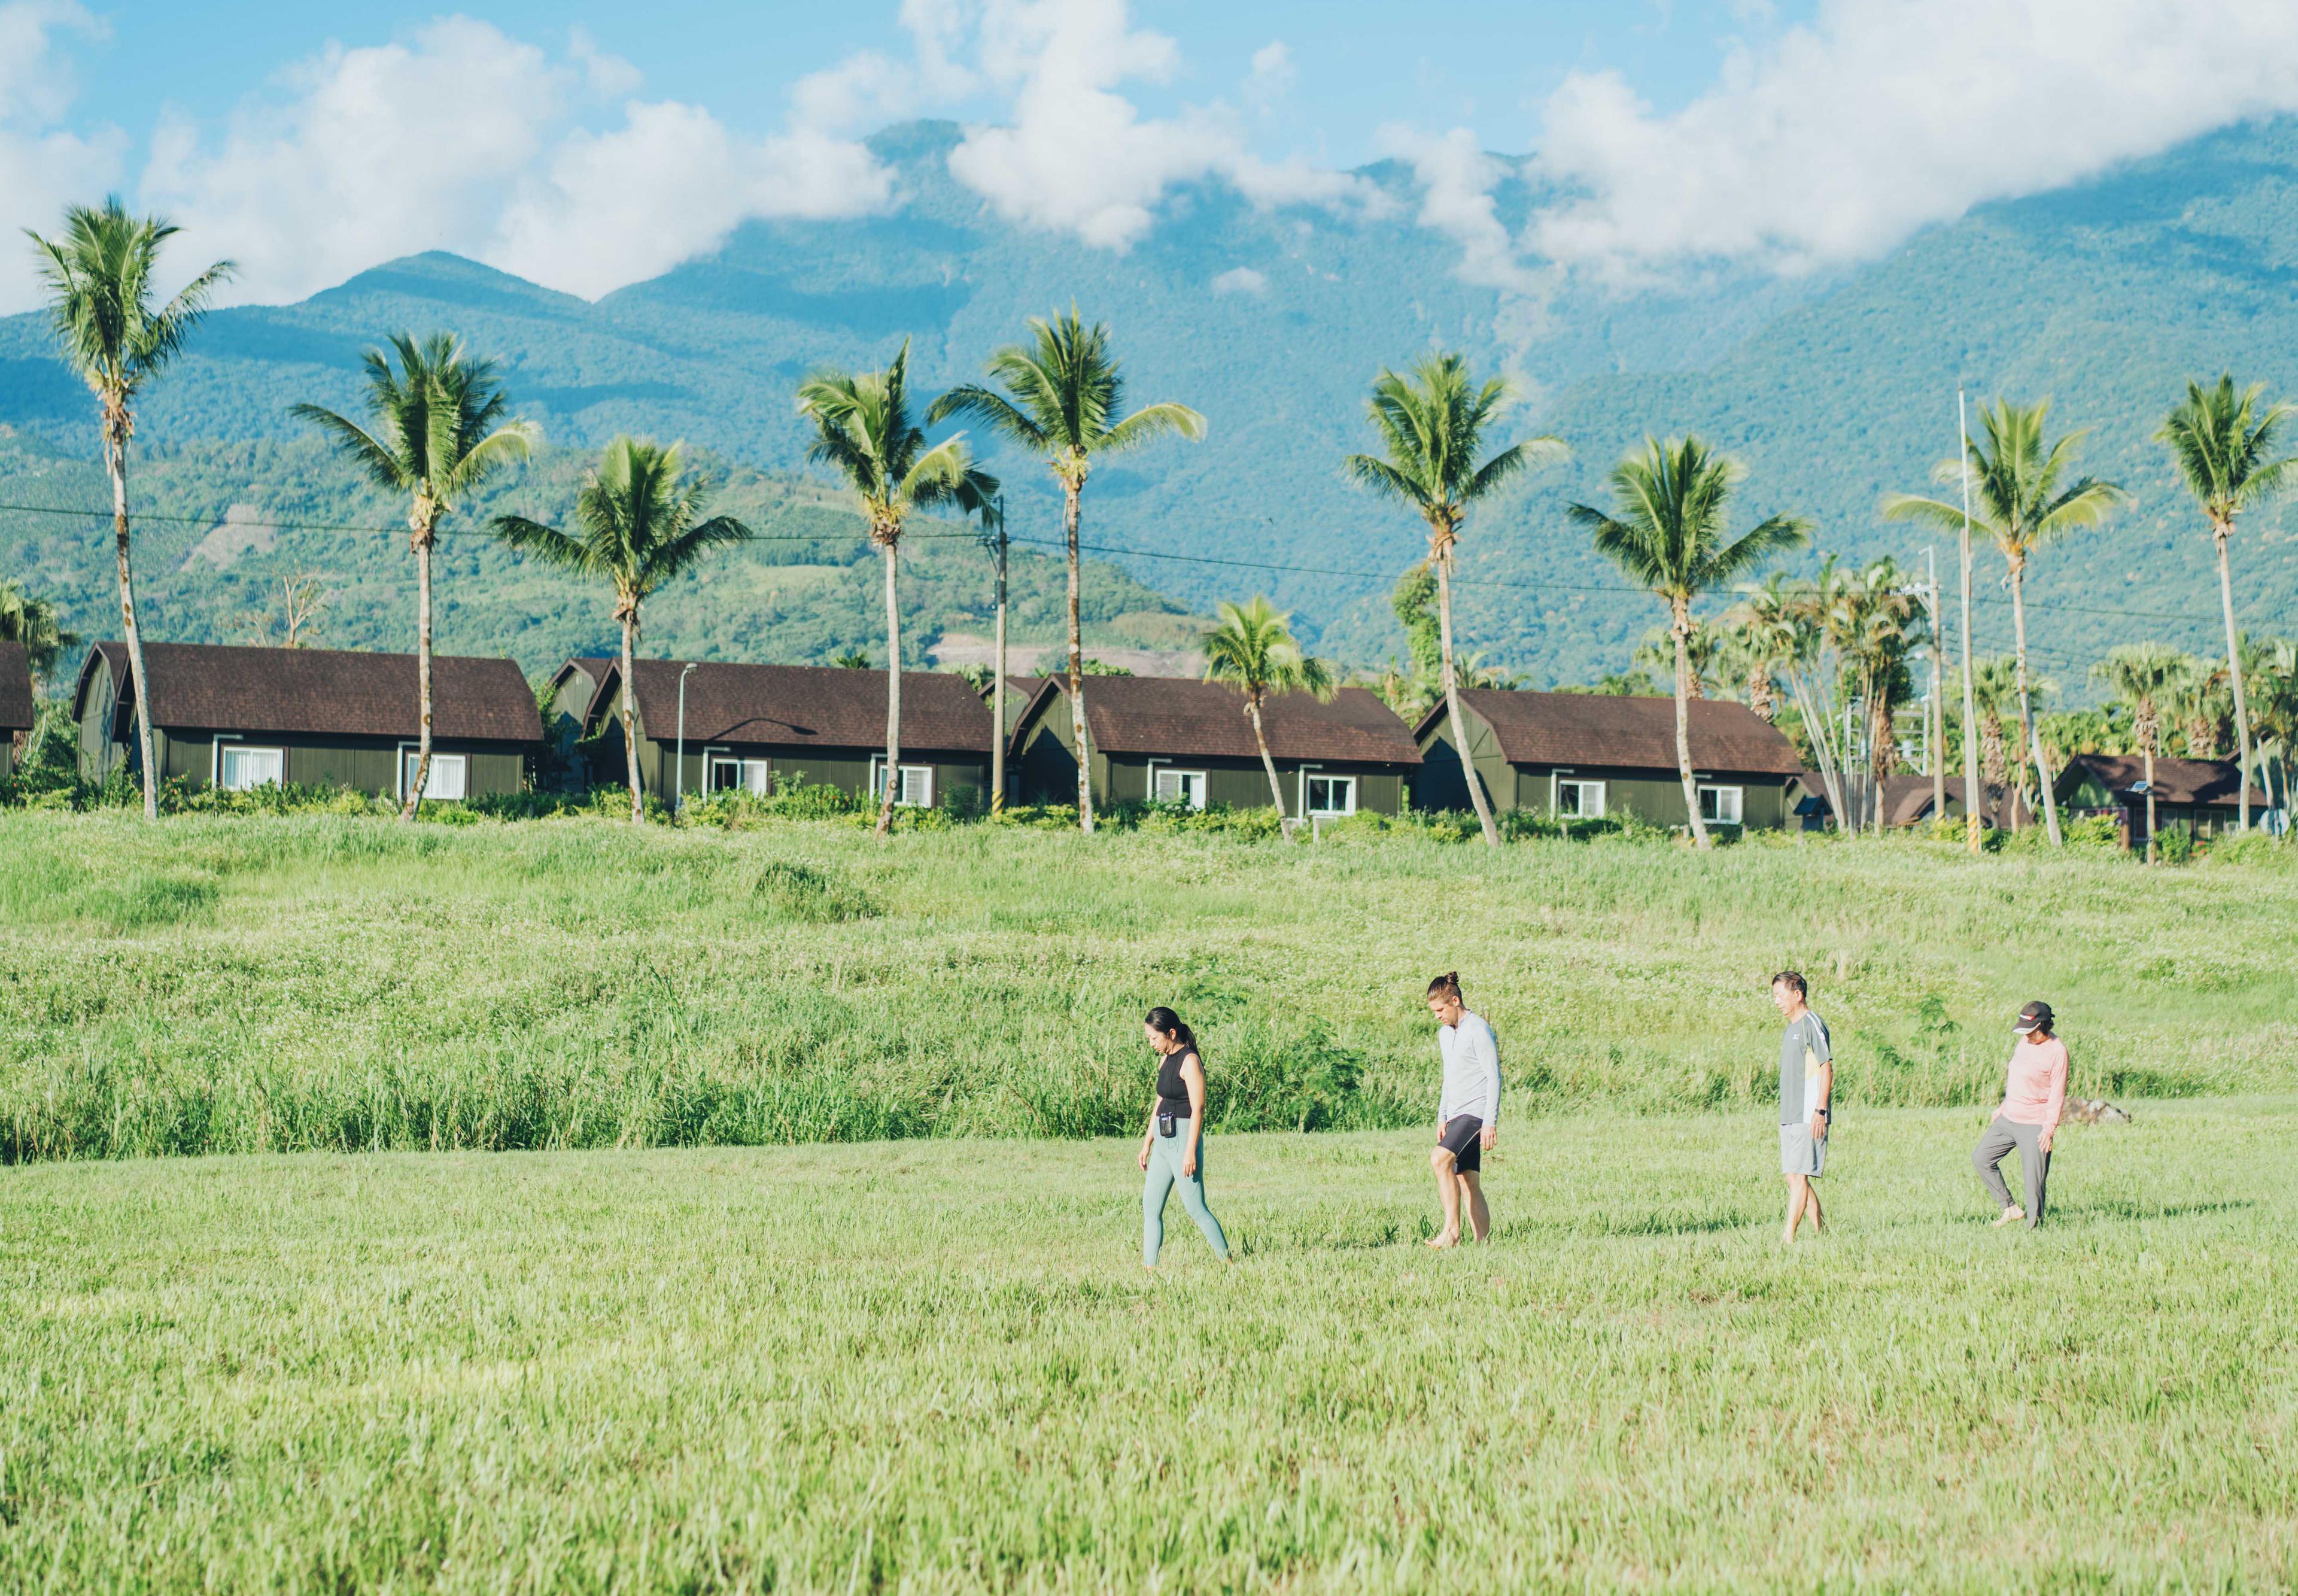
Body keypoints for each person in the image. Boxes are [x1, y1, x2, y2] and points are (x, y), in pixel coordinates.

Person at [1137, 1007, 1231, 1269]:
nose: (1151, 1043)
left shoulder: (1190, 1061)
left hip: (1183, 1140)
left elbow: (1198, 1108)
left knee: (1195, 1208)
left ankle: (1229, 1262)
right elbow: (1159, 1103)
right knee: (1150, 1208)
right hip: (1163, 1141)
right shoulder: (1164, 1060)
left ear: (1171, 1033)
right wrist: (1147, 1143)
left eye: (1154, 1038)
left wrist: (1190, 1151)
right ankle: (1150, 1269)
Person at [1973, 1000, 2068, 1229]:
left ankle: (2034, 1231)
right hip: (2009, 1118)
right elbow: (2015, 1077)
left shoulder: (2058, 1052)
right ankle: (2011, 1208)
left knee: (2033, 1184)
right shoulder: (2024, 1043)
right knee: (1982, 1159)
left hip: (2035, 1124)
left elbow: (2058, 1094)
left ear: (2043, 1027)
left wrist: (2049, 1129)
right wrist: (2004, 1106)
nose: (2026, 1036)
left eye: (2031, 1032)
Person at [1424, 972, 1500, 1250]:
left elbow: (1494, 1077)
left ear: (1455, 1001)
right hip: (1456, 1113)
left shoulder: (1479, 1030)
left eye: (1440, 1010)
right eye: (1434, 1011)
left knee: (1439, 1159)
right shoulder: (1445, 1034)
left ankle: (1451, 1232)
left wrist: (1490, 1122)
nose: (1437, 1016)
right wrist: (1443, 1116)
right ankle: (1483, 1245)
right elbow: (1449, 1076)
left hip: (1475, 1113)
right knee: (1468, 1180)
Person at [1771, 970, 1831, 1244]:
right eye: (1774, 997)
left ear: (1798, 994)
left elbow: (1826, 1067)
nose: (1777, 1002)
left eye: (1781, 996)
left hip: (1809, 1114)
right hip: (1791, 1114)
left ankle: (1788, 1238)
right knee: (1794, 1178)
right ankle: (1824, 1234)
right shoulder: (1791, 1028)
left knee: (1799, 1177)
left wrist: (1820, 1111)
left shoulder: (1812, 1024)